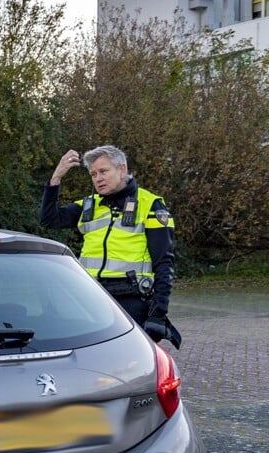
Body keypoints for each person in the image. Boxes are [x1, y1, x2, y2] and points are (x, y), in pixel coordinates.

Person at [39, 145, 179, 345]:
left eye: (103, 171)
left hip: (131, 301)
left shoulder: (150, 205)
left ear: (122, 169)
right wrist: (56, 178)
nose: (98, 178)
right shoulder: (89, 205)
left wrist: (157, 315)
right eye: (93, 174)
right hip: (90, 299)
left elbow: (164, 263)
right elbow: (48, 219)